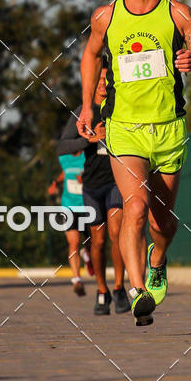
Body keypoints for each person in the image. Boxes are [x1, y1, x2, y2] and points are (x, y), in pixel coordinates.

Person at [77, 0, 191, 326]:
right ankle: (138, 291)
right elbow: (90, 54)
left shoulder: (179, 14)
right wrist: (87, 105)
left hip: (168, 128)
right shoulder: (106, 16)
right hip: (124, 129)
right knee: (133, 207)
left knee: (161, 223)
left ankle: (158, 260)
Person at [57, 62, 130, 316]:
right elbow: (62, 146)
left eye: (106, 78)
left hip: (116, 181)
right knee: (97, 242)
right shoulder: (83, 112)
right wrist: (88, 139)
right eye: (97, 78)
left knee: (117, 234)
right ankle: (102, 291)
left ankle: (120, 287)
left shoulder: (121, 107)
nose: (102, 83)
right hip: (91, 186)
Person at [47, 150, 88, 296]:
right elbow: (65, 173)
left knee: (94, 243)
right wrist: (56, 182)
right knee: (74, 242)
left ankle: (87, 255)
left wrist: (86, 179)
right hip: (68, 206)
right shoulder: (64, 157)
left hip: (88, 205)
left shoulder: (88, 154)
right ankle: (77, 279)